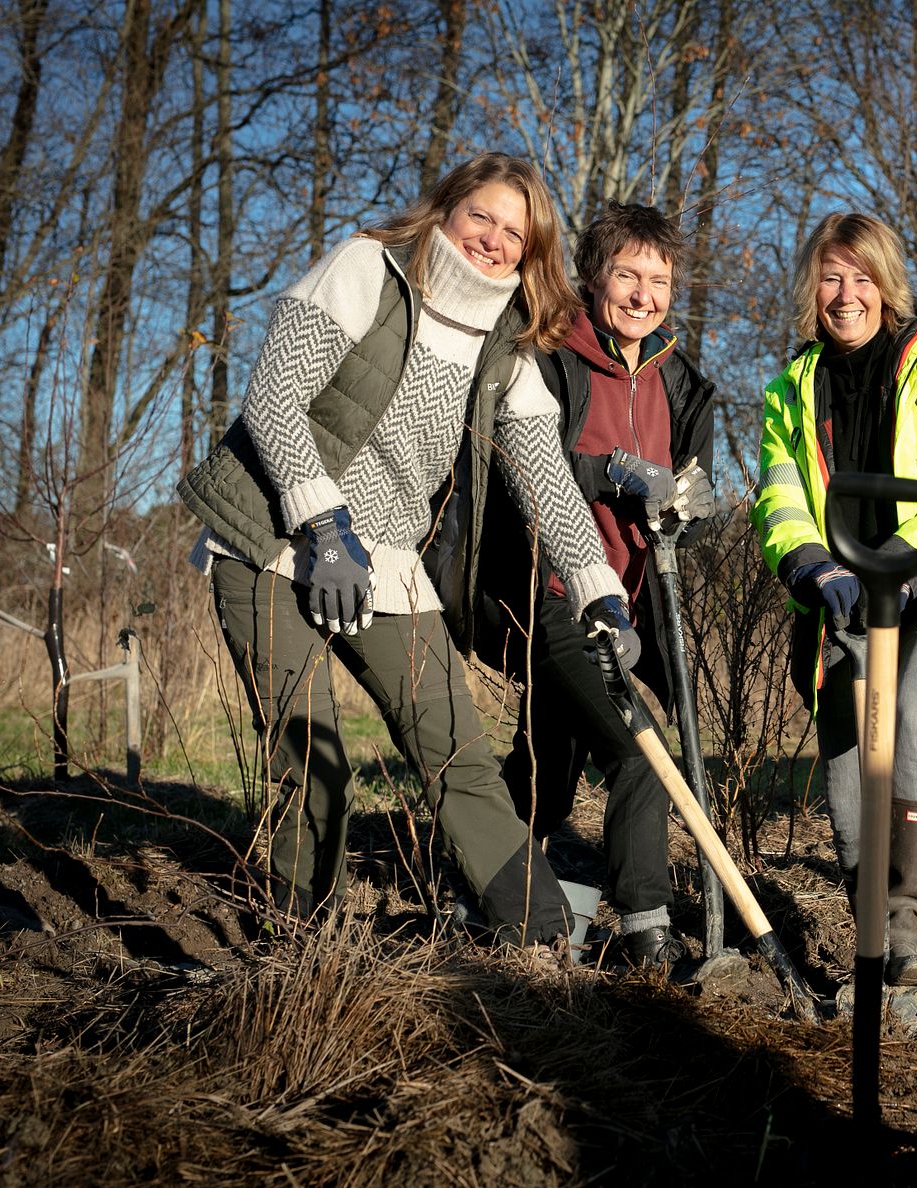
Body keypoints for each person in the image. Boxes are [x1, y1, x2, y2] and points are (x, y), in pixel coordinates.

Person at [179, 153, 634, 948]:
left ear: (532, 254)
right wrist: (323, 526)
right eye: (482, 216)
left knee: (459, 757)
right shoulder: (368, 270)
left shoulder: (508, 345)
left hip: (386, 560)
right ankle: (299, 950)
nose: (493, 240)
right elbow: (273, 399)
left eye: (514, 233)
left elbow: (547, 481)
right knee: (310, 756)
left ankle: (546, 943)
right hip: (273, 543)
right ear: (446, 210)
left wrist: (598, 587)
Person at [751, 212, 917, 986]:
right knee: (846, 753)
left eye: (862, 278)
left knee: (906, 715)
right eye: (832, 278)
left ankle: (904, 936)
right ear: (813, 287)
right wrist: (815, 567)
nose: (846, 295)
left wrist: (915, 566)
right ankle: (867, 922)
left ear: (886, 284)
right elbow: (779, 501)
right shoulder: (793, 387)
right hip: (845, 586)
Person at [473, 203, 717, 967]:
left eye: (660, 280)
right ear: (594, 276)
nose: (644, 295)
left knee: (550, 756)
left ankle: (480, 890)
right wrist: (608, 475)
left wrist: (687, 506)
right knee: (640, 755)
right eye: (628, 275)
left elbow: (685, 494)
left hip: (630, 601)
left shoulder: (679, 377)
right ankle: (647, 923)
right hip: (555, 592)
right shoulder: (552, 354)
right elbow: (517, 458)